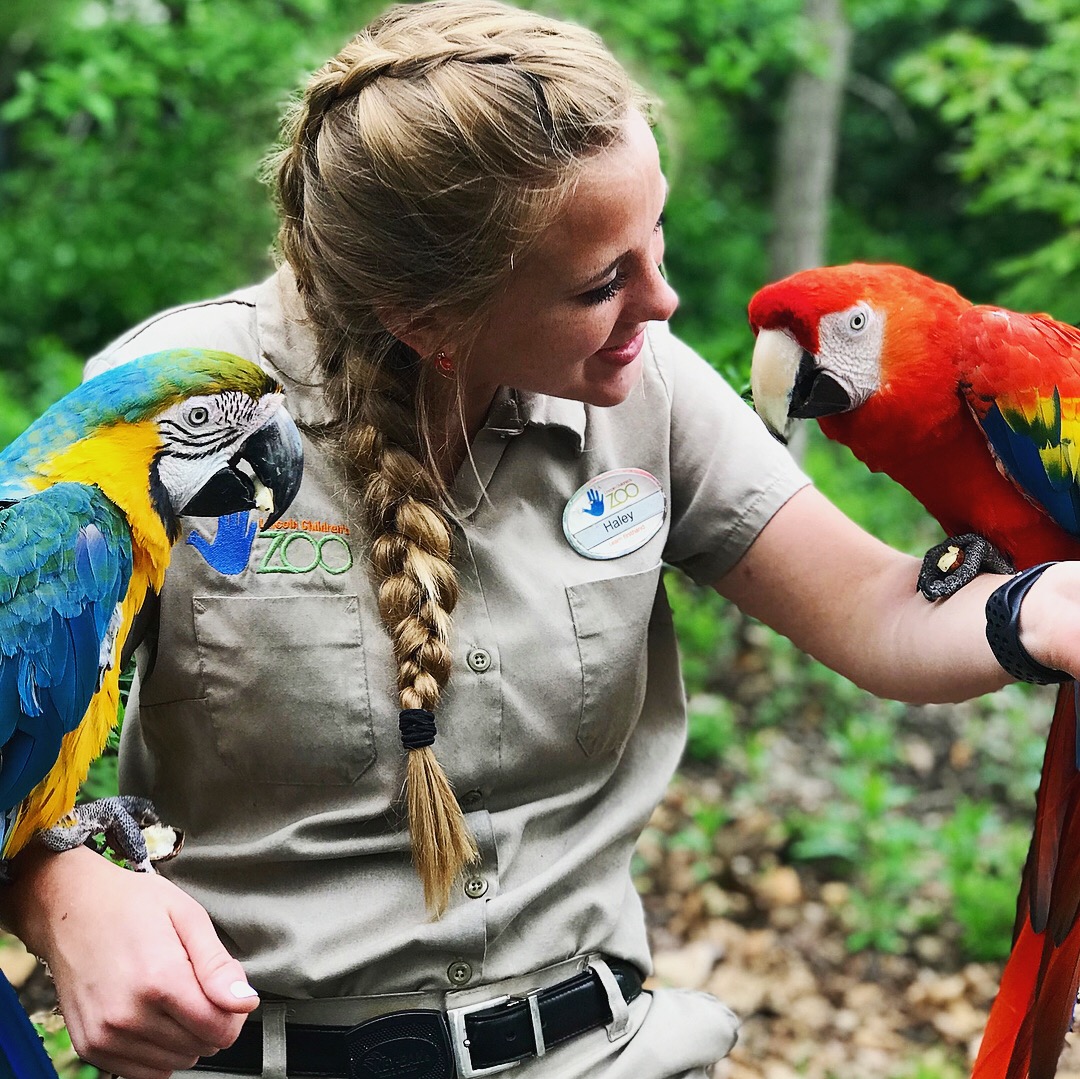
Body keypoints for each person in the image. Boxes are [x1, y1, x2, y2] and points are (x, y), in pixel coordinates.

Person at [2, 2, 1078, 1077]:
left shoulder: (648, 385)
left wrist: (1033, 608)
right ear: (427, 318)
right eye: (601, 281)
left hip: (597, 1050)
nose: (664, 300)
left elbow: (874, 610)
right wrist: (55, 891)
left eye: (656, 241)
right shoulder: (171, 422)